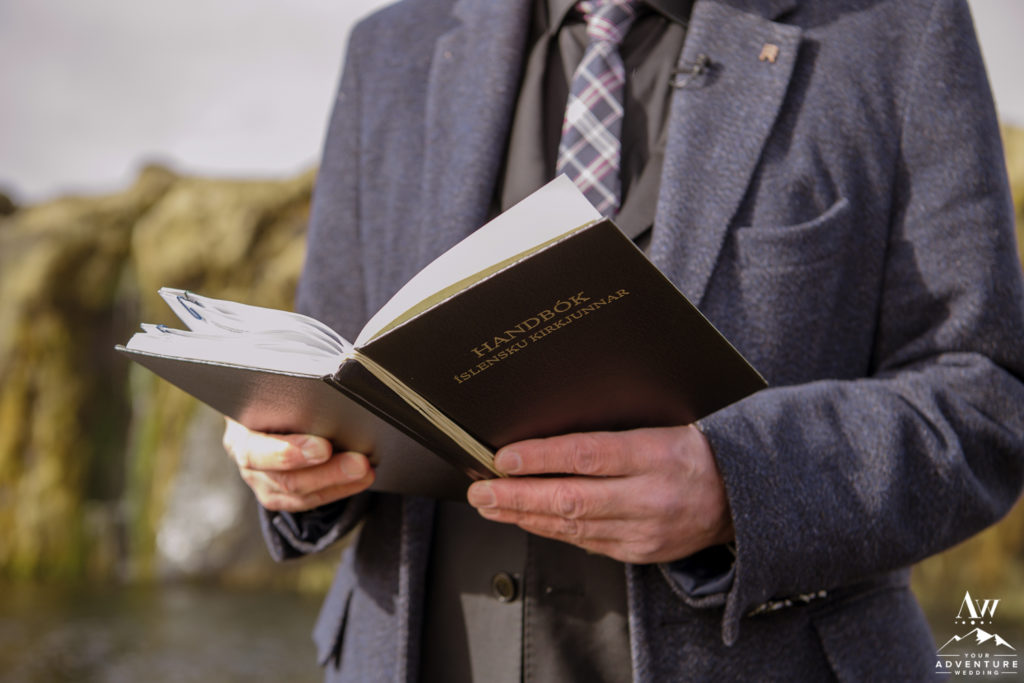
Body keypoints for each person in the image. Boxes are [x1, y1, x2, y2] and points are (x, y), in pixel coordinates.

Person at [222, 0, 1024, 680]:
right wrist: (283, 451)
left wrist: (738, 489)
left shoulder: (901, 28)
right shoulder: (388, 46)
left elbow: (986, 396)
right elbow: (328, 362)